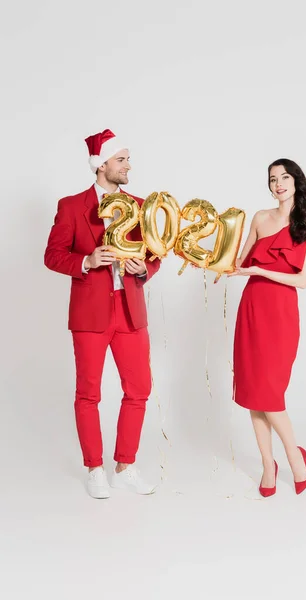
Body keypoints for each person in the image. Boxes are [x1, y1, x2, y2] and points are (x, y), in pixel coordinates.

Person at [44, 129, 160, 499]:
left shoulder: (141, 206)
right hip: (90, 313)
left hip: (130, 311)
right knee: (88, 393)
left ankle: (125, 466)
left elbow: (154, 254)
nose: (129, 165)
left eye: (128, 158)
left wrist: (145, 269)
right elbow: (53, 255)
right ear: (102, 164)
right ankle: (94, 468)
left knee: (139, 389)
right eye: (122, 159)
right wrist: (87, 260)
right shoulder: (70, 206)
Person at [229, 158, 306, 496]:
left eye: (284, 177)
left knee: (270, 393)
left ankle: (293, 455)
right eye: (273, 179)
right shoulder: (259, 217)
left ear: (296, 182)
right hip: (252, 308)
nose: (278, 183)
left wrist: (259, 271)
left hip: (281, 312)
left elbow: (302, 280)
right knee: (253, 393)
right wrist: (214, 256)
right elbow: (240, 262)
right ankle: (267, 464)